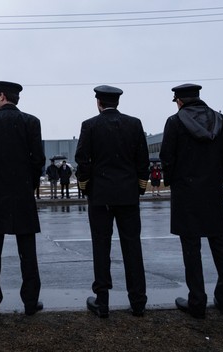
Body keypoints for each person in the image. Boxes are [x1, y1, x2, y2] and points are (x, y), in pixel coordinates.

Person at [160, 83, 223, 319]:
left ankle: (197, 301)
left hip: (186, 191)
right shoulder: (219, 120)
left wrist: (175, 181)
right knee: (220, 244)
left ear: (179, 101)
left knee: (191, 248)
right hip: (212, 190)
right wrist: (218, 178)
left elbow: (167, 158)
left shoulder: (175, 122)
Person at [75, 85, 149, 318]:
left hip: (100, 195)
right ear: (117, 103)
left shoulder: (90, 126)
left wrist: (86, 186)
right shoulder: (134, 124)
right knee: (132, 247)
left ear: (98, 102)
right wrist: (138, 188)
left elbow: (82, 161)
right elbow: (143, 160)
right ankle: (138, 301)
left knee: (101, 247)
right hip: (128, 195)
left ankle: (103, 301)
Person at [0, 81, 45, 316]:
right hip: (22, 193)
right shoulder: (32, 122)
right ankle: (30, 302)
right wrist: (30, 185)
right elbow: (38, 161)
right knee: (28, 252)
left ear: (2, 96)